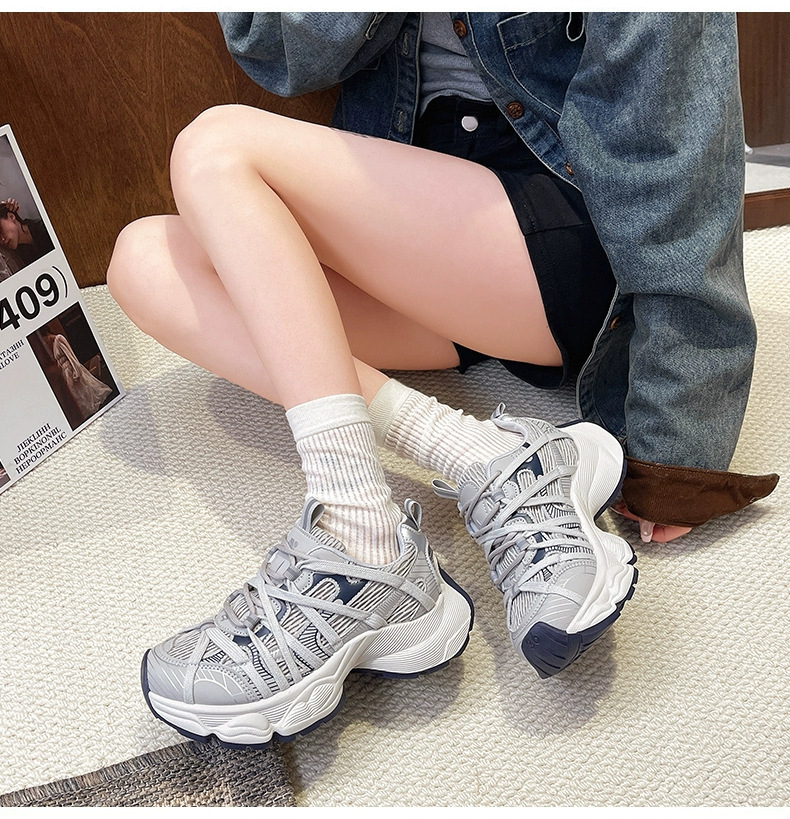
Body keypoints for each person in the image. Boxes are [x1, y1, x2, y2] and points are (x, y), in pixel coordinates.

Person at [106, 12, 778, 748]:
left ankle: (357, 530)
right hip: (415, 230)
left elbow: (679, 146)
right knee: (145, 264)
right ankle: (486, 458)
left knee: (214, 147)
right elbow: (275, 50)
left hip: (556, 220)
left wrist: (679, 443)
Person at [0, 199, 54, 270]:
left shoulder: (47, 228)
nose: (2, 239)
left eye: (1, 230)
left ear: (11, 216)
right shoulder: (20, 256)